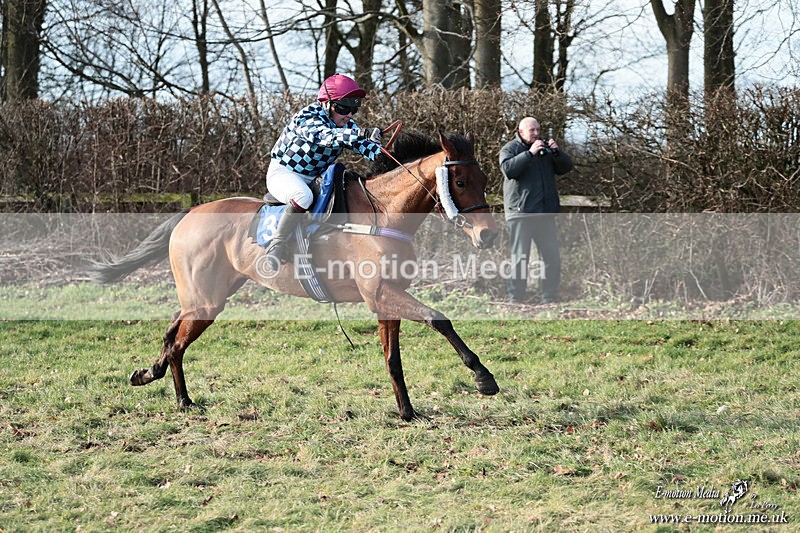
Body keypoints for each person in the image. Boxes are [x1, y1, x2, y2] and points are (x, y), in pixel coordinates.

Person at [264, 73, 383, 265]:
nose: (350, 115)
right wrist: (361, 133)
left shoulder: (346, 125)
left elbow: (363, 146)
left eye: (354, 109)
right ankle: (276, 246)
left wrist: (380, 152)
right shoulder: (307, 116)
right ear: (327, 103)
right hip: (284, 174)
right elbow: (325, 136)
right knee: (304, 197)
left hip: (315, 178)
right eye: (344, 108)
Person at [499, 117, 573, 303]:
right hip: (520, 213)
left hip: (545, 213)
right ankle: (515, 298)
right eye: (532, 130)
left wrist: (557, 153)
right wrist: (529, 154)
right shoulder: (510, 149)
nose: (536, 133)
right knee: (519, 259)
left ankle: (548, 297)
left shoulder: (546, 150)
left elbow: (566, 167)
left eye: (538, 129)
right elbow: (508, 170)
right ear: (521, 131)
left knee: (551, 257)